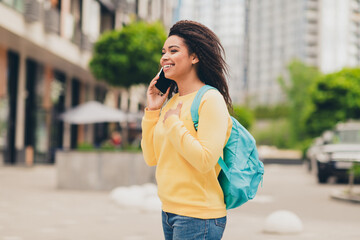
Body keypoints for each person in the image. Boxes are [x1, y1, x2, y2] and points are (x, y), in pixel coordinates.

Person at [141, 20, 233, 240]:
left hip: (198, 215)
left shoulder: (210, 99)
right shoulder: (170, 102)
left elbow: (205, 160)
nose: (165, 57)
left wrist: (174, 124)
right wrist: (153, 111)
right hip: (170, 211)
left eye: (174, 51)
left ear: (195, 57)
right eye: (163, 52)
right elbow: (151, 157)